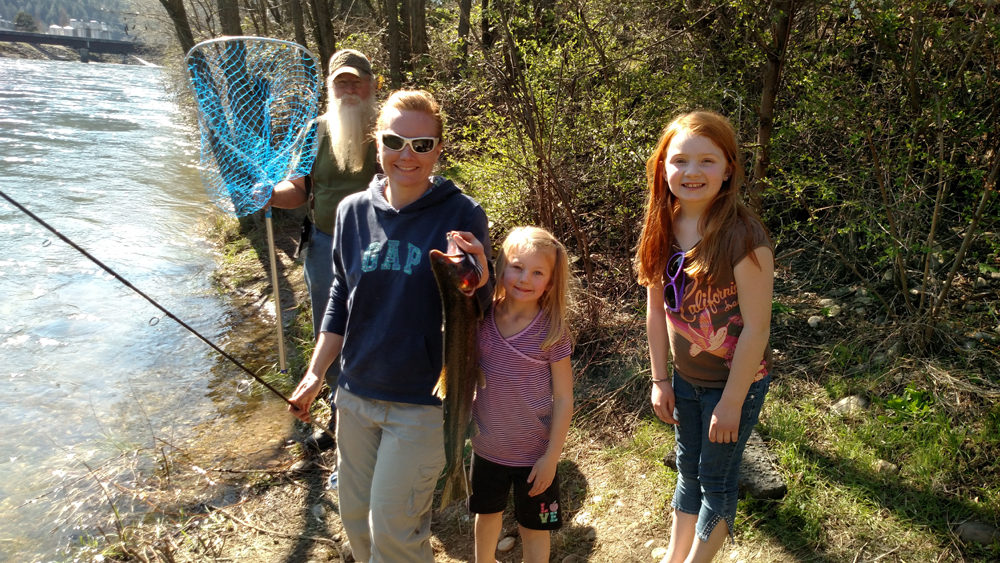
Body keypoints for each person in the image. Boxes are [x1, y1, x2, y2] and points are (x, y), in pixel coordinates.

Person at [287, 89, 495, 563]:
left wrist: (480, 275)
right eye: (395, 141)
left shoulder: (460, 213)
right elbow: (342, 293)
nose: (408, 154)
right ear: (375, 144)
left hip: (422, 405)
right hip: (356, 394)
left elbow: (476, 297)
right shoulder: (351, 211)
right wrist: (317, 372)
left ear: (439, 149)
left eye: (422, 145)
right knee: (356, 524)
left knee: (395, 532)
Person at [635, 111, 774, 563]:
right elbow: (656, 310)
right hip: (685, 380)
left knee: (716, 479)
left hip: (735, 385)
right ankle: (677, 557)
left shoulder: (744, 236)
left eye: (707, 161)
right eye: (680, 161)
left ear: (729, 167)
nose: (692, 173)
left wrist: (732, 401)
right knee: (687, 472)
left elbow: (756, 327)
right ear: (663, 168)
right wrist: (660, 380)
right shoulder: (662, 225)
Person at [270, 49, 379, 452]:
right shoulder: (314, 132)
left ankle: (377, 409)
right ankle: (338, 415)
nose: (349, 89)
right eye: (341, 82)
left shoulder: (386, 130)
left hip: (375, 246)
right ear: (329, 88)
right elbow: (297, 191)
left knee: (372, 324)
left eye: (357, 81)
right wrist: (268, 196)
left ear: (372, 84)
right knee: (327, 330)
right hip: (322, 244)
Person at [469, 226, 574, 563]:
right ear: (500, 268)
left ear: (551, 282)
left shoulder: (552, 330)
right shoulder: (482, 315)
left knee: (536, 527)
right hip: (486, 449)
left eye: (537, 272)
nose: (525, 278)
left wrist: (552, 457)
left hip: (536, 457)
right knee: (486, 516)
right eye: (516, 266)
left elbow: (564, 398)